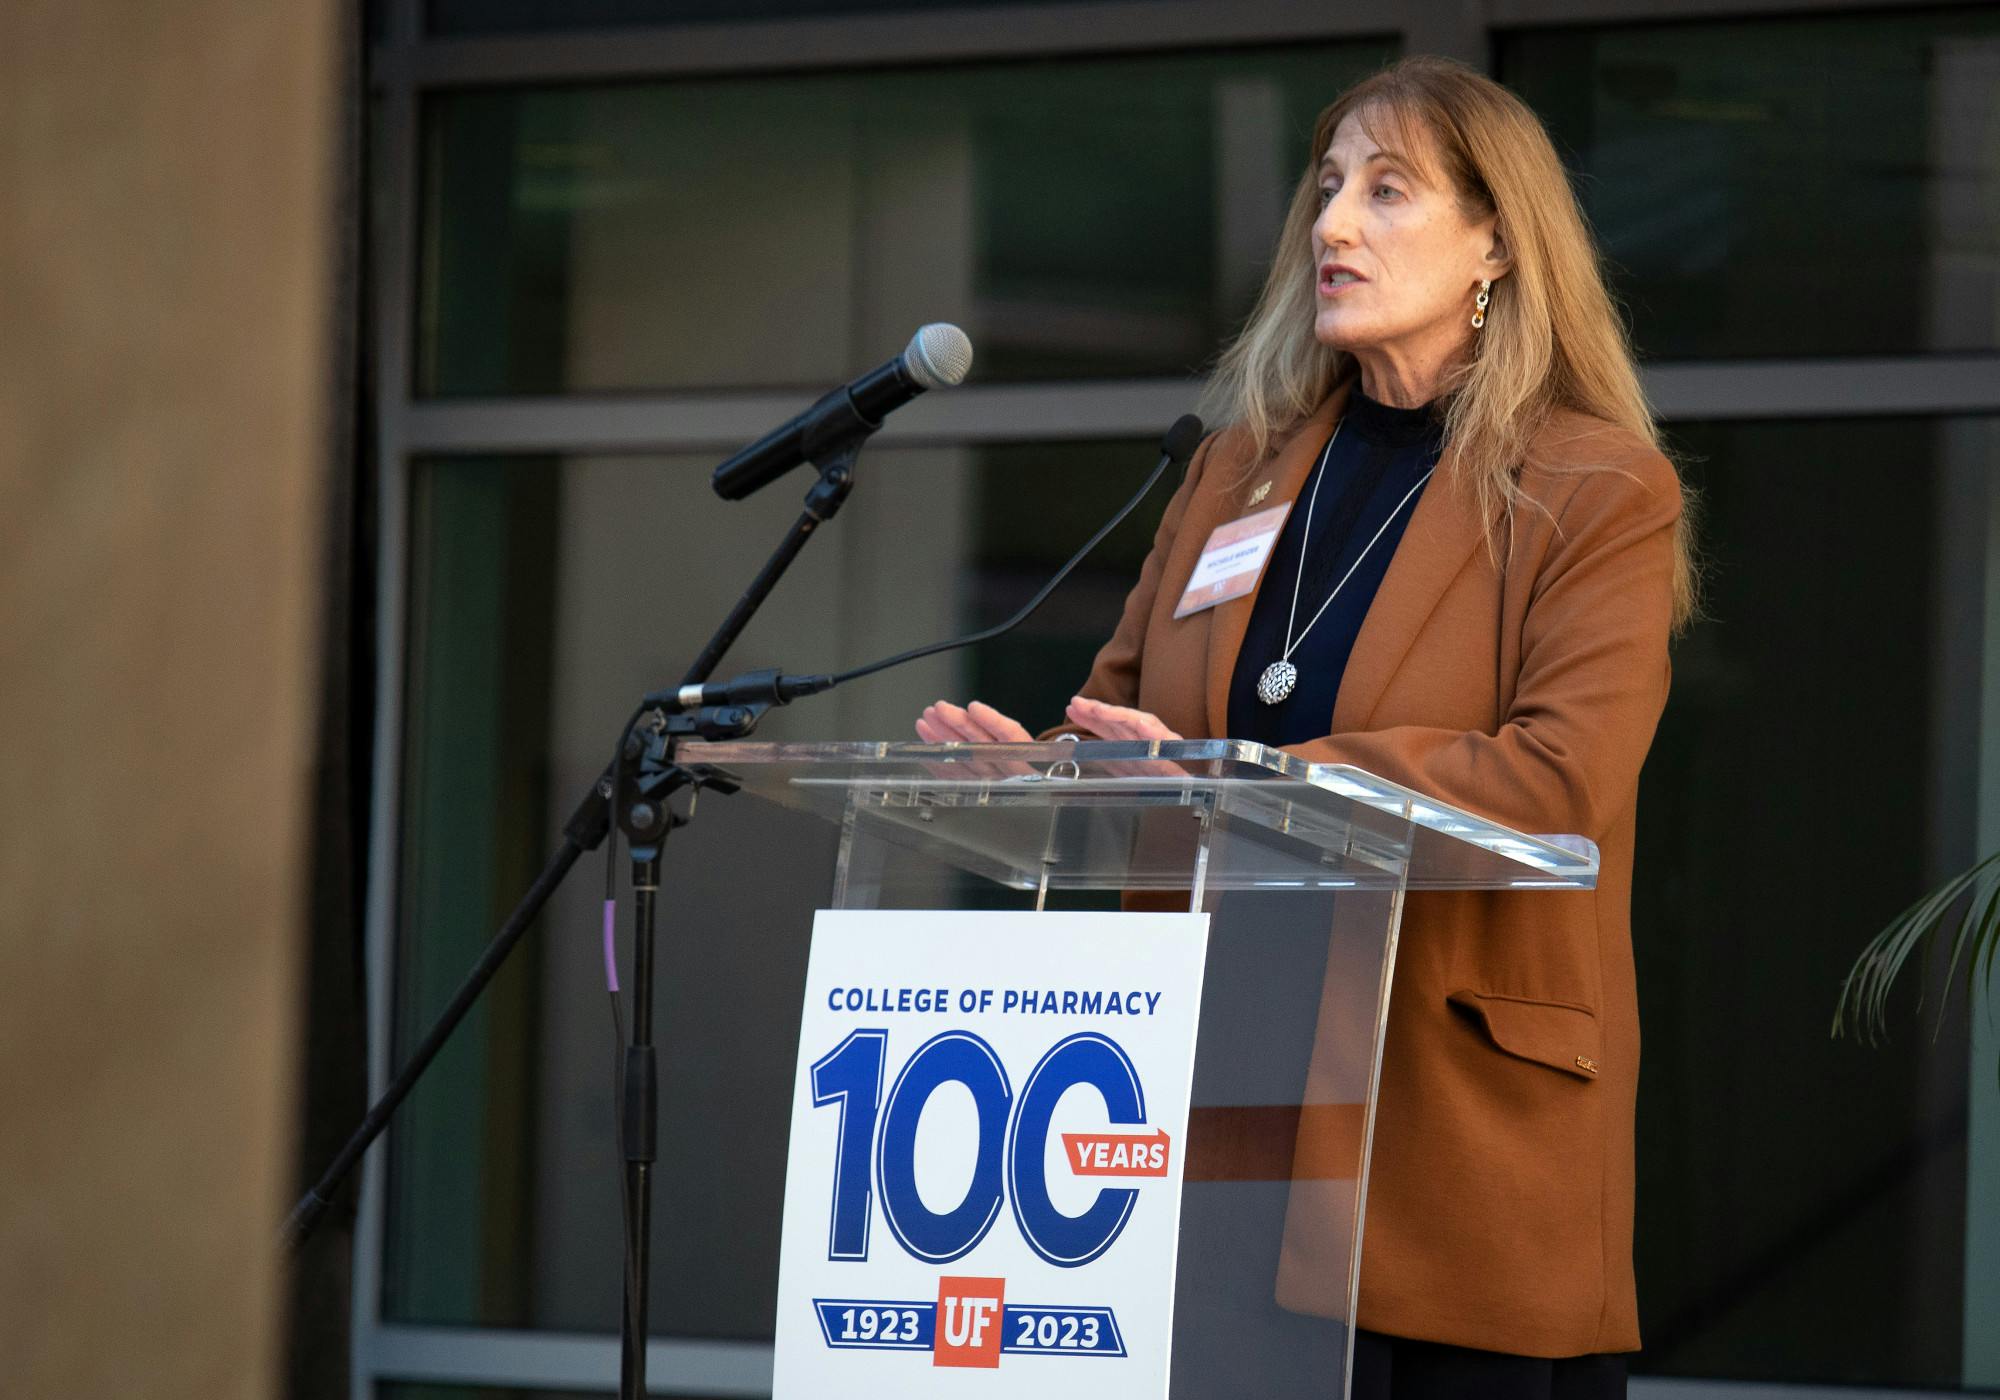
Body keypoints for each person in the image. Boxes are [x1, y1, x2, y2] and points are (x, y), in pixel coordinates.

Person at [917, 53, 1701, 1398]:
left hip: (1450, 1136)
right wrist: (1052, 780)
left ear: (1496, 242)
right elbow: (1136, 730)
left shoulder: (1595, 488)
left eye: (1387, 192)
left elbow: (1559, 779)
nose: (1333, 225)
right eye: (1328, 188)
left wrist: (1256, 777)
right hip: (1211, 1130)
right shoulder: (1237, 467)